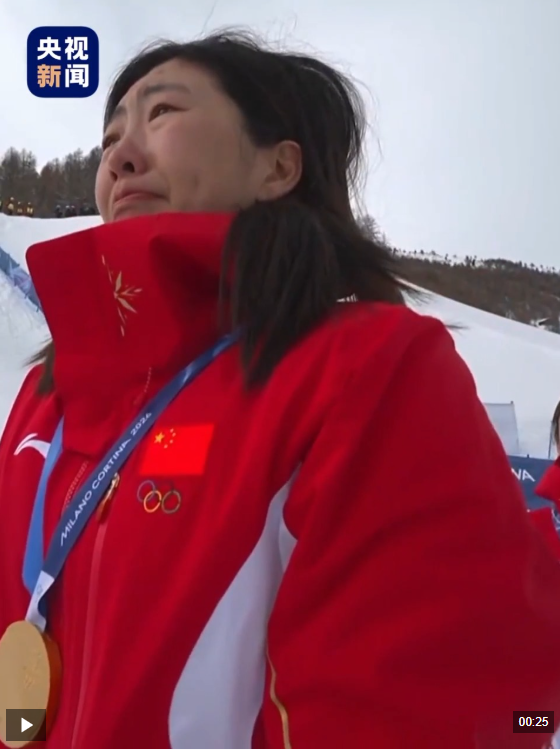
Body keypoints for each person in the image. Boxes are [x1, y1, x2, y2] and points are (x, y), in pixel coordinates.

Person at [1, 31, 560, 750]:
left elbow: (442, 706)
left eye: (163, 112)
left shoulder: (366, 369)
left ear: (278, 167)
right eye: (109, 139)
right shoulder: (45, 401)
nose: (119, 157)